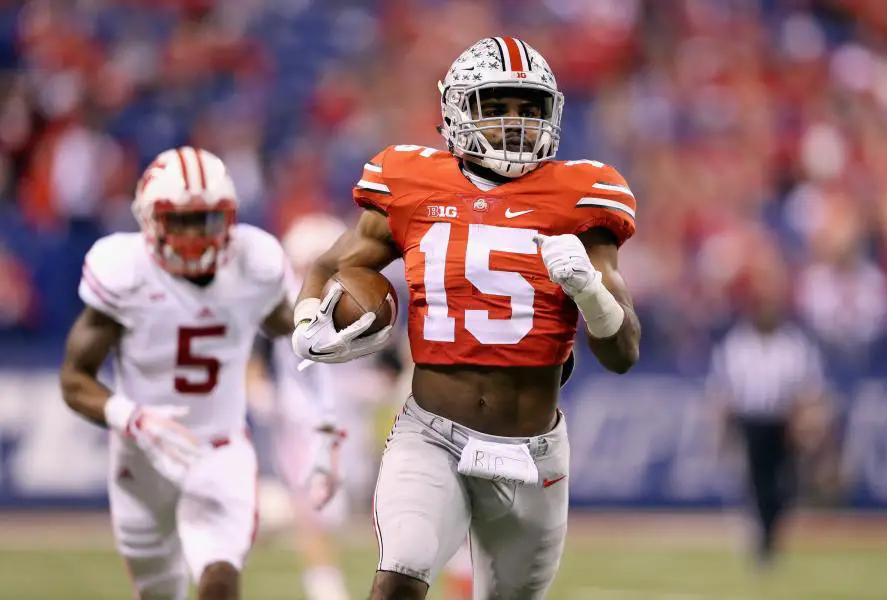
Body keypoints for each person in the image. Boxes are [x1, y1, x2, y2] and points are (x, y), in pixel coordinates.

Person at [291, 37, 641, 600]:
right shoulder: (409, 182)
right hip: (430, 433)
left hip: (531, 450)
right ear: (457, 108)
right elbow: (331, 264)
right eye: (497, 105)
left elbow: (622, 352)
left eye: (529, 109)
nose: (515, 122)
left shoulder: (583, 196)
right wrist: (309, 320)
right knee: (398, 577)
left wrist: (589, 290)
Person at [58, 147, 341, 600]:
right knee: (159, 590)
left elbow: (294, 332)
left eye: (207, 219)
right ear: (149, 220)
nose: (195, 236)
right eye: (181, 221)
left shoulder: (254, 261)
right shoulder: (122, 269)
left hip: (220, 447)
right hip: (140, 451)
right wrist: (131, 417)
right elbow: (75, 379)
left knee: (220, 578)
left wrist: (334, 324)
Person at [247, 213, 352, 600]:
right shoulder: (282, 305)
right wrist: (261, 395)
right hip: (304, 421)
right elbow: (256, 359)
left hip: (353, 416)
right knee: (315, 512)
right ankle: (327, 589)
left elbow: (391, 360)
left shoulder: (360, 296)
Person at [707, 265, 831, 568]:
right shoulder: (737, 344)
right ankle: (763, 540)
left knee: (785, 485)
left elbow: (809, 390)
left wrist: (808, 426)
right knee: (758, 482)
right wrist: (720, 429)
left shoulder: (794, 344)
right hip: (751, 421)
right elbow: (723, 391)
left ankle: (770, 532)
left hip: (784, 422)